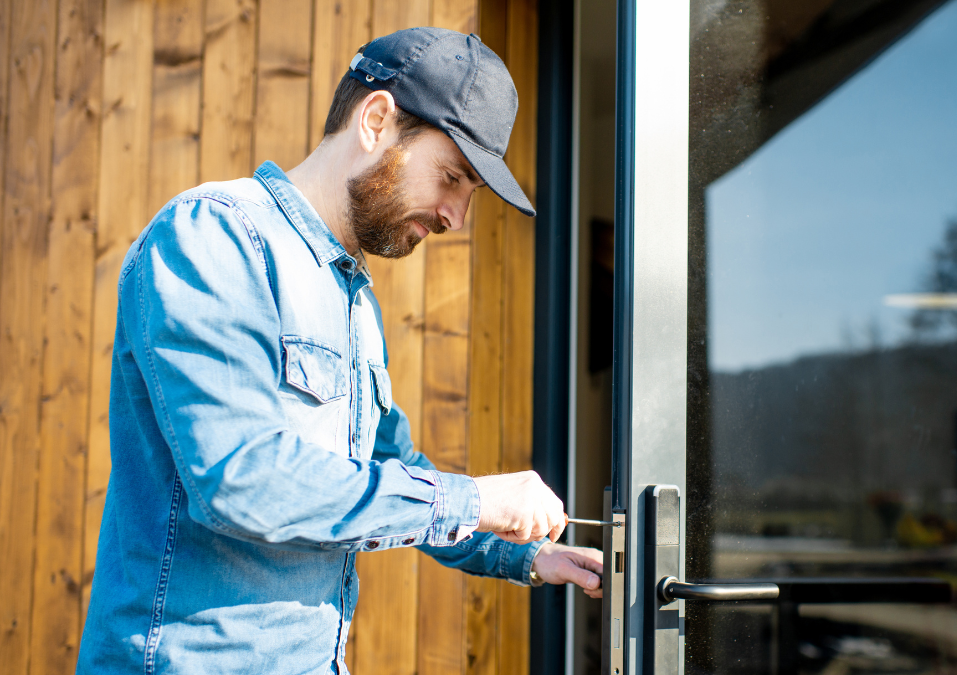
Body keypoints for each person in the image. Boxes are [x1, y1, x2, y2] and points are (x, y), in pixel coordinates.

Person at [77, 27, 601, 675]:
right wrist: (475, 498)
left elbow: (390, 465)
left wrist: (521, 555)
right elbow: (243, 478)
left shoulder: (352, 296)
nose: (456, 218)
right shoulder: (213, 235)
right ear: (377, 120)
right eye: (452, 178)